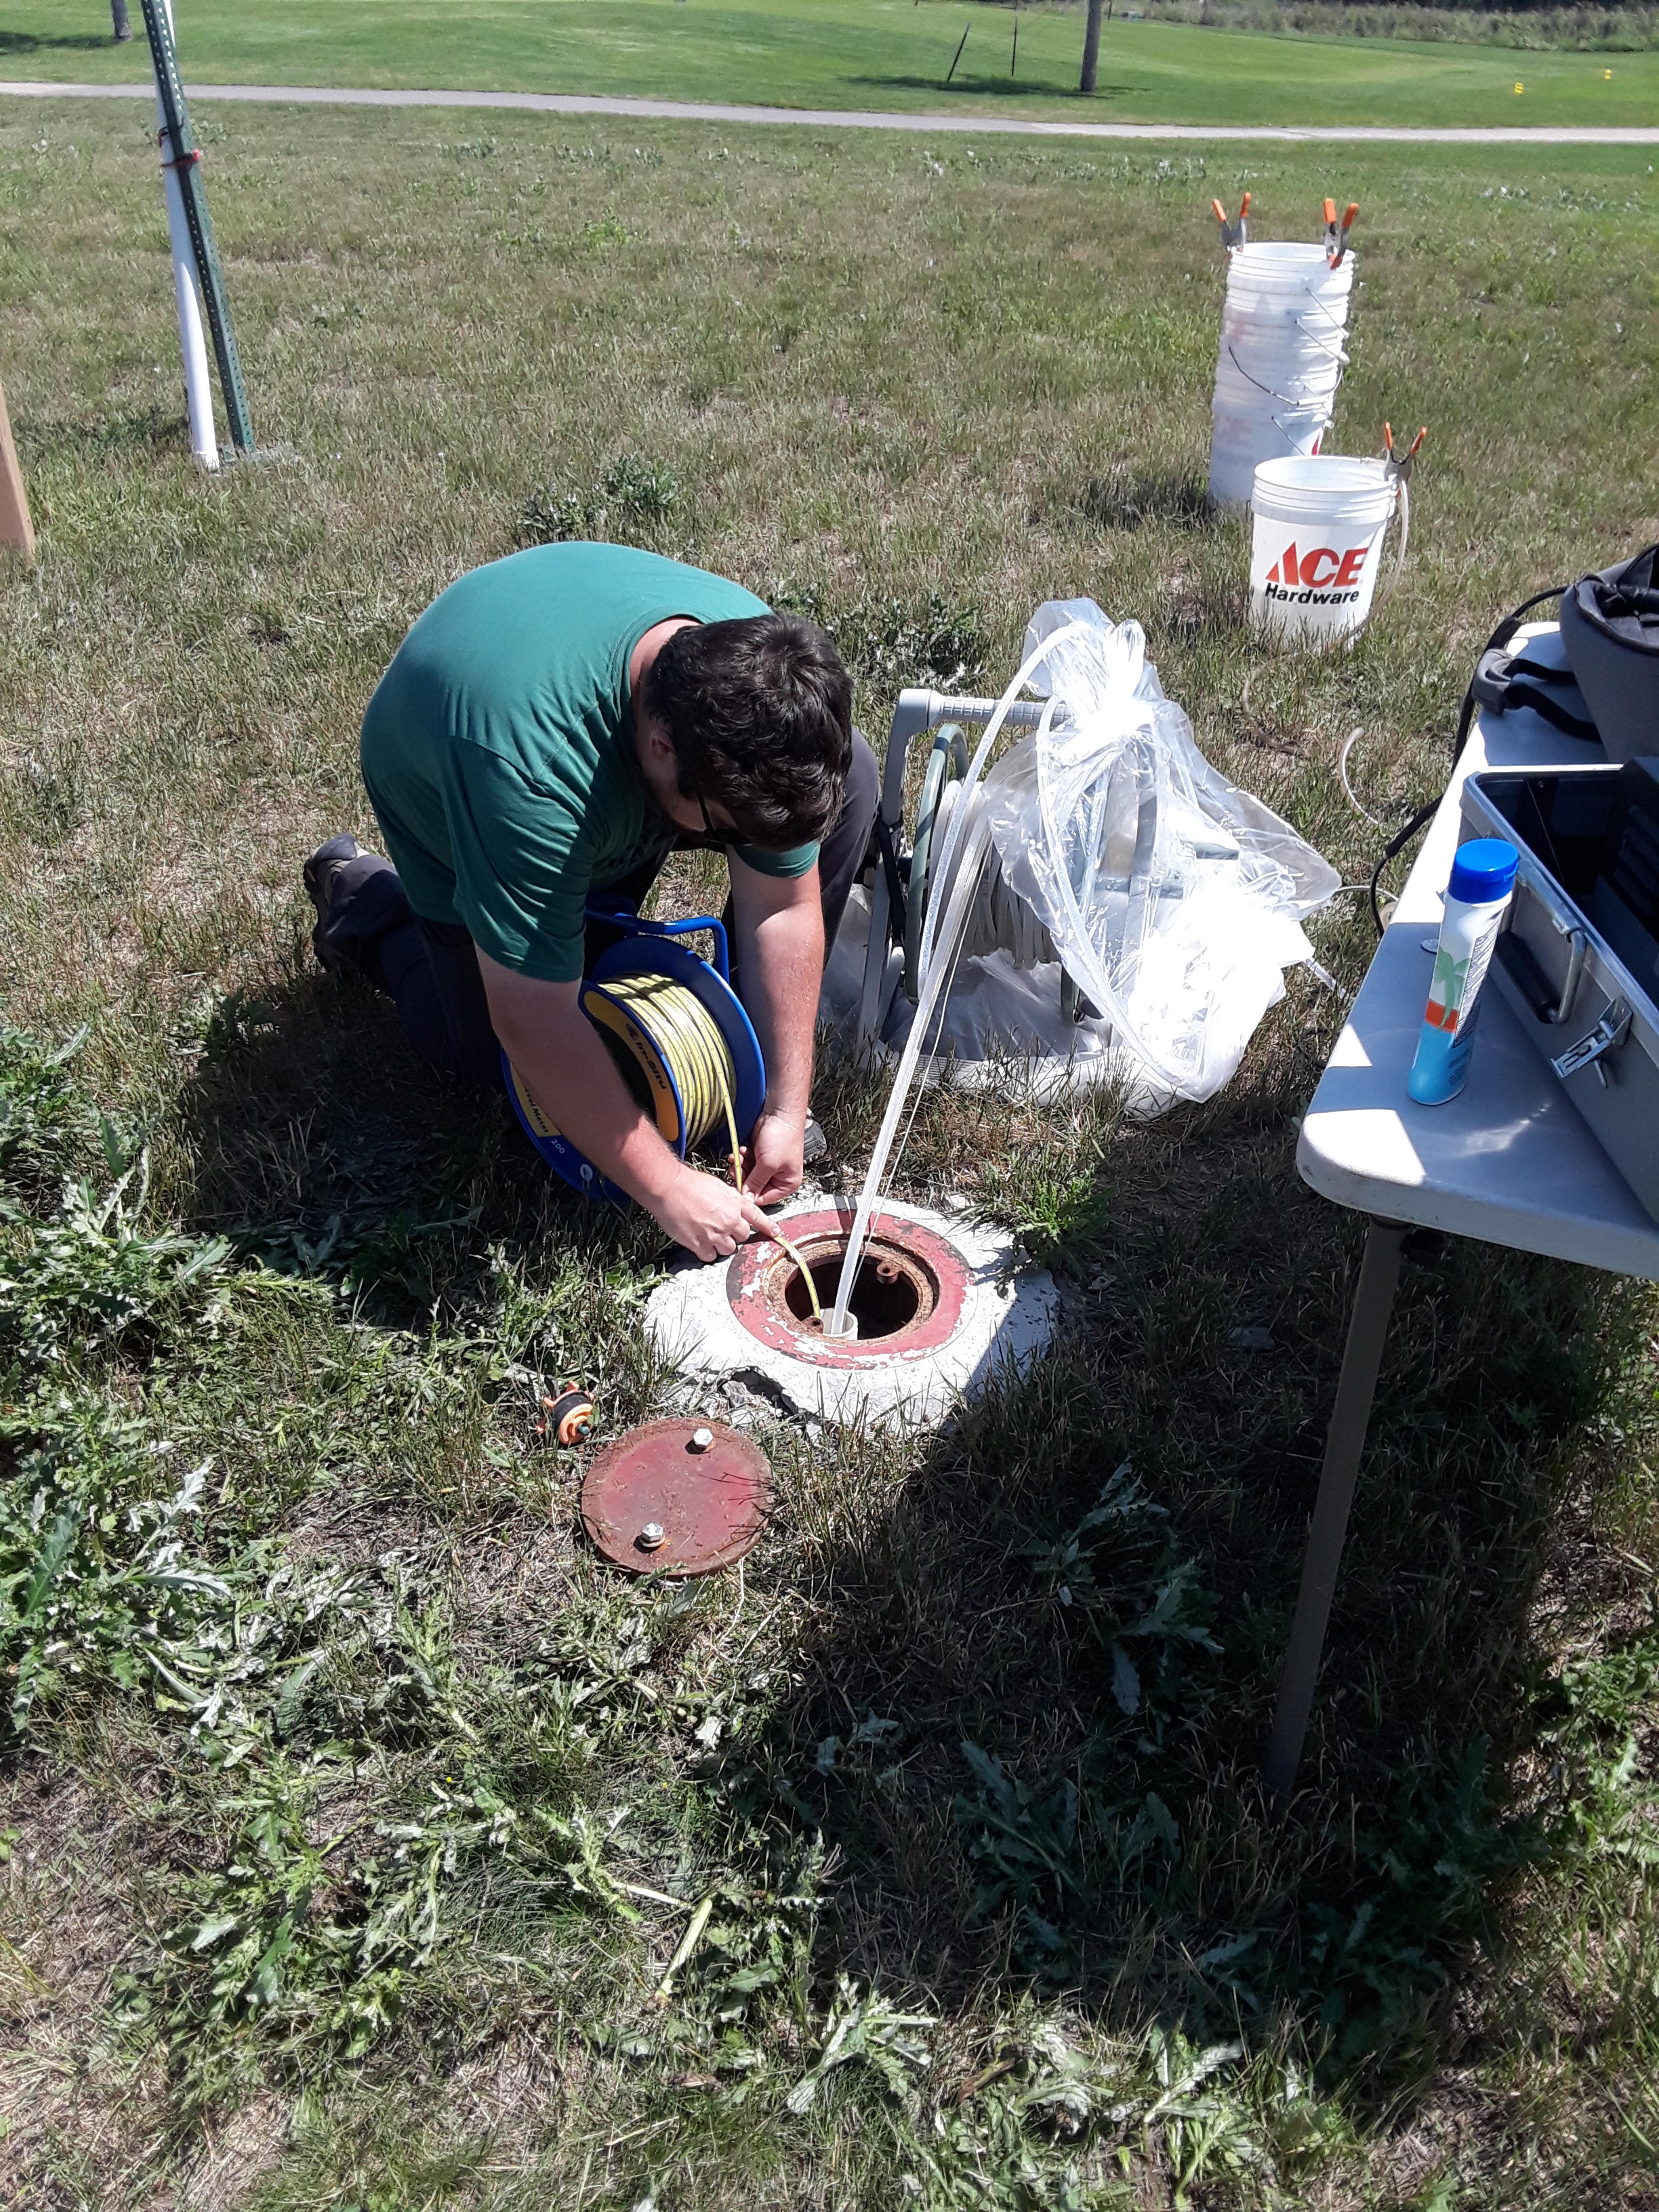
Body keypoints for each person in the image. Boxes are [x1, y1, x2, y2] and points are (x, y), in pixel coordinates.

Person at [304, 542, 880, 1263]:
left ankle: (711, 1040)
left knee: (850, 776)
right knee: (489, 1063)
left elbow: (782, 908)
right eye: (729, 830)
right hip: (451, 780)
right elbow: (532, 1020)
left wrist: (783, 1107)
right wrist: (667, 1188)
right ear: (663, 747)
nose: (742, 847)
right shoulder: (532, 775)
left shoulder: (758, 679)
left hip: (595, 768)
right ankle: (364, 898)